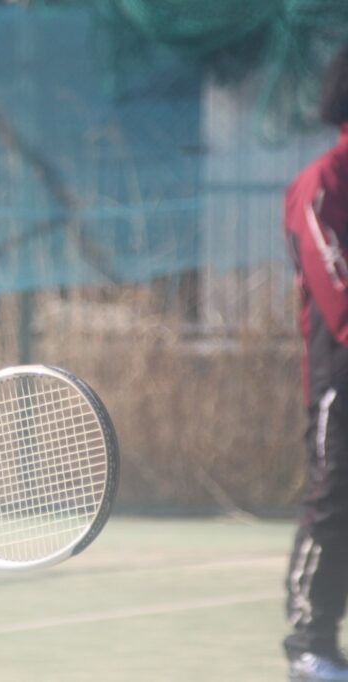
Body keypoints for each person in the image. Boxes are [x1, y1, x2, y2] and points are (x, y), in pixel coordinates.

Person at [283, 45, 348, 682]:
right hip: (341, 379)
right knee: (335, 501)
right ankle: (312, 643)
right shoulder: (323, 182)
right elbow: (337, 288)